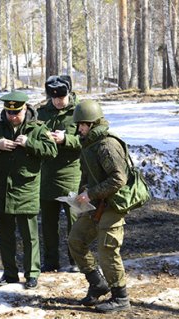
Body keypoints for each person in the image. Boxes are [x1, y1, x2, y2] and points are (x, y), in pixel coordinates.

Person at [0, 91, 58, 289]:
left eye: (16, 112)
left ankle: (32, 273)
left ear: (25, 109)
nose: (12, 116)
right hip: (2, 189)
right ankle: (9, 273)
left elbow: (52, 150)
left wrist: (30, 144)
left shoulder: (37, 128)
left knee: (29, 235)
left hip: (26, 189)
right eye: (9, 112)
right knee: (5, 235)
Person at [68, 99, 131, 313]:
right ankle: (97, 283)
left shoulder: (107, 145)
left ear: (93, 124)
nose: (79, 128)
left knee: (107, 250)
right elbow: (87, 175)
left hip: (113, 204)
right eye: (79, 125)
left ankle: (120, 296)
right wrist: (79, 198)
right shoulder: (88, 145)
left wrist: (90, 193)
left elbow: (118, 179)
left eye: (83, 124)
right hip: (95, 204)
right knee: (75, 240)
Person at [37, 75, 81, 273]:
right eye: (54, 98)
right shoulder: (41, 113)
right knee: (48, 224)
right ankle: (51, 261)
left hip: (72, 175)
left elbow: (90, 140)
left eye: (61, 97)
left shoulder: (80, 112)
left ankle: (77, 260)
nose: (57, 101)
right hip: (46, 175)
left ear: (69, 93)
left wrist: (67, 139)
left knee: (75, 222)